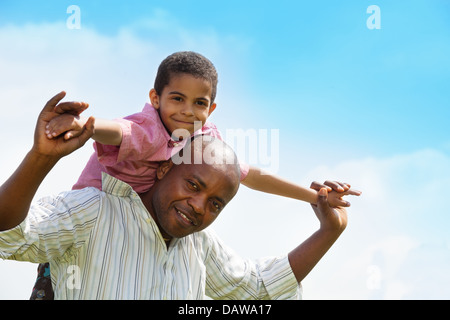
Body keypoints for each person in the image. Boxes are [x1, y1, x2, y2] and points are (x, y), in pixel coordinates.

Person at [32, 51, 350, 299]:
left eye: (199, 103)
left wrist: (316, 198)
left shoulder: (202, 140)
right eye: (177, 99)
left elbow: (249, 174)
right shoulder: (151, 131)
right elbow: (119, 130)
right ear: (155, 99)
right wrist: (85, 128)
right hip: (93, 221)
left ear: (211, 109)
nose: (187, 110)